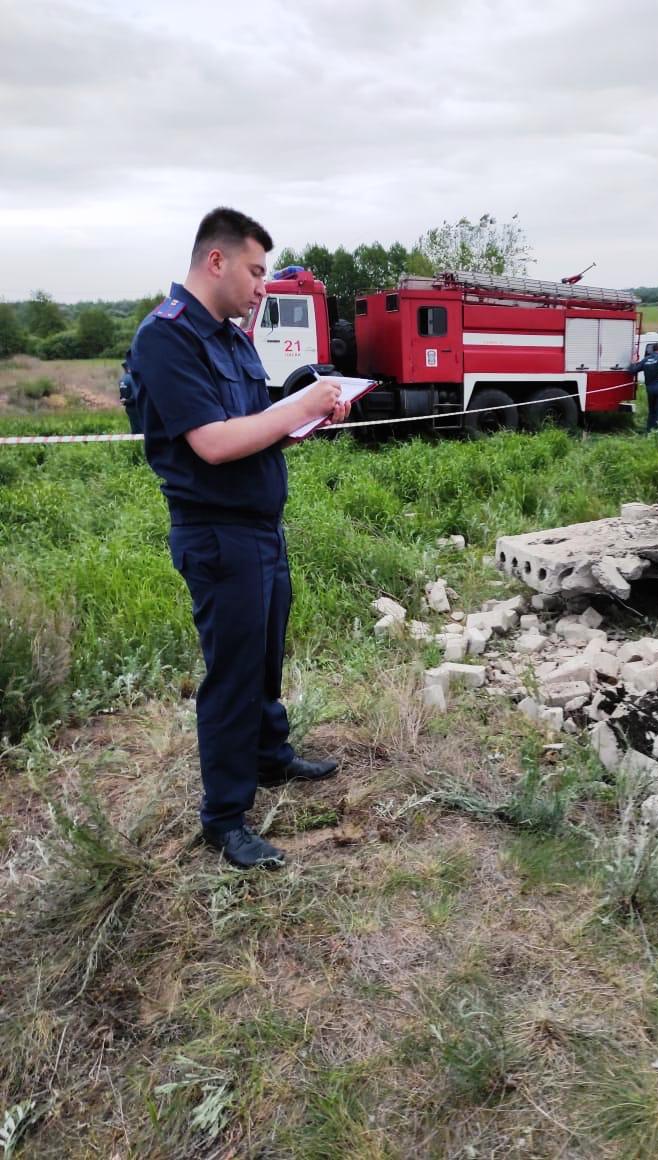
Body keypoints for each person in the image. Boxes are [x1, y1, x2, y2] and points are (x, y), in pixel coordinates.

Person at [127, 207, 350, 869]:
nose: (262, 287)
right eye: (256, 271)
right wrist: (295, 408)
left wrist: (306, 411)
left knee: (263, 656)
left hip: (259, 528)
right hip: (218, 534)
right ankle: (226, 820)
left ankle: (269, 757)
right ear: (216, 260)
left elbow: (256, 425)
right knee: (231, 675)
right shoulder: (167, 339)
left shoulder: (228, 336)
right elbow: (215, 444)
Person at [628, 343, 658, 432]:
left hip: (650, 388)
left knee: (652, 411)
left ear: (653, 349)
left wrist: (633, 362)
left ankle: (649, 431)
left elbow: (632, 371)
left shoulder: (646, 359)